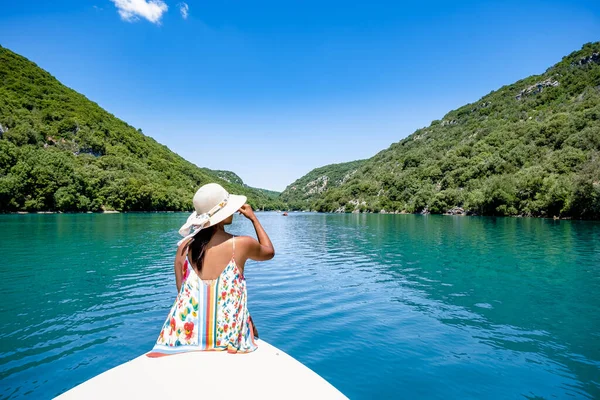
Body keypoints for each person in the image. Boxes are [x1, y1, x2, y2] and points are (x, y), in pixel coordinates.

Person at [147, 183, 275, 357]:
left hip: (182, 338)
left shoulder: (183, 248)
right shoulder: (242, 244)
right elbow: (269, 252)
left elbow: (182, 295)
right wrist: (253, 218)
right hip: (227, 339)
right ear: (221, 216)